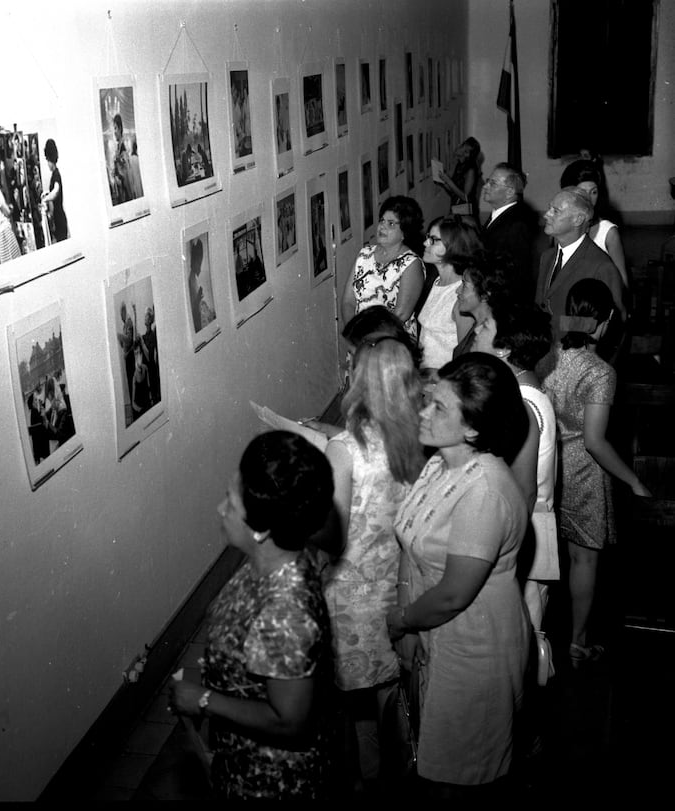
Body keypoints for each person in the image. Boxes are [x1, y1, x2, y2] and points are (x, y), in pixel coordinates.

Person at [385, 353, 531, 799]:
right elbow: (410, 544)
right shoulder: (439, 464)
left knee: (460, 777)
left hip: (475, 652)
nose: (424, 411)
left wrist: (404, 620)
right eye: (428, 400)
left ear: (472, 428)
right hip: (436, 639)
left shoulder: (484, 490)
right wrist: (411, 631)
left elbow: (453, 594)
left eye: (438, 407)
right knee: (431, 761)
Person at [169, 431, 336, 799]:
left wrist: (202, 699)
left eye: (230, 502)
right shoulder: (267, 561)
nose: (220, 509)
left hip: (271, 782)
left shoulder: (286, 610)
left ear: (261, 530)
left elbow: (290, 721)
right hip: (239, 760)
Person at [320, 336, 425, 793]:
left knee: (348, 701)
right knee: (393, 691)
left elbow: (333, 534)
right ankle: (399, 773)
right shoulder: (419, 442)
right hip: (402, 586)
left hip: (350, 593)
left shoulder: (344, 448)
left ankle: (361, 779)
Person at [542, 279, 651, 667]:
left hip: (547, 464)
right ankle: (577, 641)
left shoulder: (548, 357)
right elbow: (595, 442)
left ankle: (542, 637)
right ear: (603, 323)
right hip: (584, 473)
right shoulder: (601, 372)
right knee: (583, 560)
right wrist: (634, 480)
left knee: (545, 555)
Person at [472, 302, 558, 684]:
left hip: (524, 532)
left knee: (518, 642)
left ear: (504, 349)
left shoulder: (521, 404)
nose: (477, 328)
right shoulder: (524, 390)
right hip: (529, 528)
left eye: (486, 324)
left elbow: (512, 486)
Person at [535, 188, 626, 372]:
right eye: (549, 208)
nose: (546, 215)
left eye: (555, 211)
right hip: (543, 360)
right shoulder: (547, 257)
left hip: (577, 369)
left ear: (578, 220)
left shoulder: (601, 266)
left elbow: (614, 324)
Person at [341, 196, 425, 341]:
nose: (382, 227)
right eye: (382, 220)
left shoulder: (411, 264)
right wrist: (354, 332)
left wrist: (371, 338)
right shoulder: (364, 254)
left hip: (392, 342)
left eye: (391, 224)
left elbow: (400, 315)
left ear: (404, 232)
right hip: (359, 339)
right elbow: (348, 301)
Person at [416, 215, 479, 376]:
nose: (425, 243)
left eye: (434, 240)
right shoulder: (435, 281)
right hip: (425, 380)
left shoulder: (461, 296)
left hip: (446, 382)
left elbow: (466, 357)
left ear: (454, 247)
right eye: (427, 238)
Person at [560, 160, 628, 287]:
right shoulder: (559, 230)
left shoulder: (608, 233)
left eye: (594, 192)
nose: (589, 199)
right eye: (583, 193)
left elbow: (622, 282)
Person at [480, 163, 540, 294]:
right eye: (487, 181)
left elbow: (518, 274)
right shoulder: (498, 215)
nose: (485, 186)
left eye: (493, 184)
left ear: (509, 192)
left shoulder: (516, 225)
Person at [452, 250, 520, 358]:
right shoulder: (476, 325)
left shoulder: (491, 338)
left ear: (484, 294)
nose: (458, 291)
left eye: (464, 285)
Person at [435, 137, 482, 222]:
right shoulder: (460, 165)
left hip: (465, 211)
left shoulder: (471, 169)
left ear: (470, 155)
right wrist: (443, 182)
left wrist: (448, 180)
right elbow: (454, 190)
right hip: (456, 207)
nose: (462, 151)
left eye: (466, 151)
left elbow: (465, 197)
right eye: (463, 147)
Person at [0, 158, 22, 264]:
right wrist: (11, 207)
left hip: (2, 231)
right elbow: (7, 211)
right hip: (5, 231)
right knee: (15, 261)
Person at [40, 139, 68, 243]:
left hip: (59, 219)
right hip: (58, 218)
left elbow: (56, 192)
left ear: (51, 159)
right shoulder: (55, 174)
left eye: (47, 161)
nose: (47, 164)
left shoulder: (56, 174)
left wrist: (46, 199)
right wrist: (47, 193)